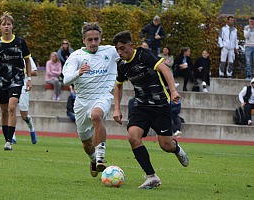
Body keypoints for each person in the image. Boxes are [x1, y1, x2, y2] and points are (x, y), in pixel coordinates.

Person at [112, 30, 189, 189]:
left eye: (123, 48)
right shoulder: (121, 65)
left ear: (131, 45)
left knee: (165, 145)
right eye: (117, 49)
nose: (120, 52)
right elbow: (118, 86)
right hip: (140, 106)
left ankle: (176, 148)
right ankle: (151, 176)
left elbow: (165, 69)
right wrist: (117, 109)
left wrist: (173, 91)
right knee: (133, 137)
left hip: (160, 105)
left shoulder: (143, 55)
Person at [62, 22, 119, 178]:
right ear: (84, 41)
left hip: (102, 96)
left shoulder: (111, 51)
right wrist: (78, 73)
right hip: (82, 101)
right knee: (86, 143)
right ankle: (93, 159)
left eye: (96, 39)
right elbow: (66, 80)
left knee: (96, 116)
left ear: (100, 39)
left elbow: (129, 53)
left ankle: (100, 158)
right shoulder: (76, 57)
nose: (93, 43)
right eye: (90, 40)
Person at [0, 11, 32, 150]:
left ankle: (9, 141)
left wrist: (29, 79)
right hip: (2, 81)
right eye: (4, 24)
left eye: (9, 24)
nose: (6, 26)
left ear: (12, 26)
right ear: (0, 27)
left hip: (17, 79)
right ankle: (6, 137)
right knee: (4, 111)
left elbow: (27, 61)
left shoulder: (20, 42)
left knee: (12, 107)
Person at [12, 57, 38, 144]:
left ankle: (31, 128)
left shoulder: (27, 57)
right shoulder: (9, 54)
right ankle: (12, 136)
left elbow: (35, 72)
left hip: (23, 87)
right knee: (11, 109)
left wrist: (23, 71)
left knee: (24, 115)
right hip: (11, 85)